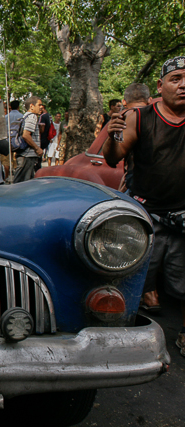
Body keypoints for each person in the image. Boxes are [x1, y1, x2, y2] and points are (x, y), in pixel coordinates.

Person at [103, 56, 185, 356]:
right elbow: (113, 157)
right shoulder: (141, 118)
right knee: (129, 276)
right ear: (161, 86)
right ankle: (120, 337)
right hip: (145, 213)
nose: (183, 85)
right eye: (176, 79)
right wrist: (112, 135)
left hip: (184, 216)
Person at [117, 83, 153, 194]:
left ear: (124, 102)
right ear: (150, 100)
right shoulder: (159, 117)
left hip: (135, 181)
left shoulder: (123, 118)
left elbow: (117, 153)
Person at [13, 96, 44, 183]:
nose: (41, 107)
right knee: (21, 183)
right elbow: (26, 135)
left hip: (26, 155)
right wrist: (37, 149)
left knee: (27, 182)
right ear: (31, 106)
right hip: (27, 155)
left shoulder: (26, 116)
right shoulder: (32, 116)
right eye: (39, 105)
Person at [38, 104, 51, 170]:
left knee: (38, 155)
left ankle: (38, 169)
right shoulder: (49, 116)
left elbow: (42, 129)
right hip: (47, 138)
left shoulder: (42, 116)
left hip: (42, 138)